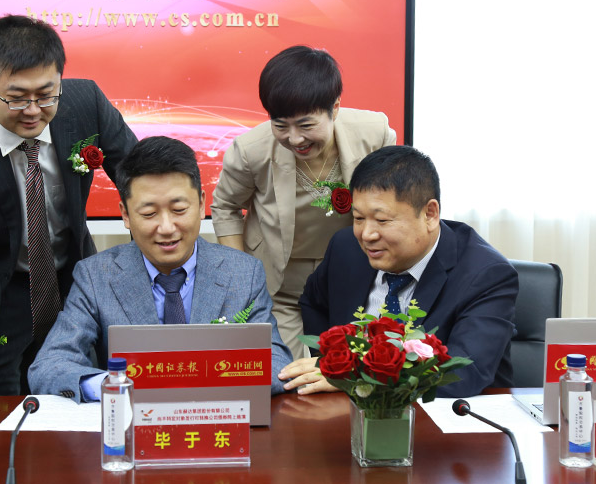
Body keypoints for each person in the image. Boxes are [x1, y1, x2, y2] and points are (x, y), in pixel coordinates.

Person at [0, 15, 138, 395]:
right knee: (4, 392)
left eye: (46, 94)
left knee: (85, 383)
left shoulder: (85, 102)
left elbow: (139, 176)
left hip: (73, 276)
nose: (33, 110)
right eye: (17, 97)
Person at [28, 136, 292, 401]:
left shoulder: (243, 272)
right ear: (125, 215)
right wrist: (113, 385)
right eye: (149, 214)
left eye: (179, 209)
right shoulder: (96, 276)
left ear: (201, 204)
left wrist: (199, 379)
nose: (166, 228)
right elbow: (49, 366)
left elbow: (277, 362)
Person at [280, 146, 518, 398]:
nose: (367, 235)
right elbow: (314, 302)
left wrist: (352, 373)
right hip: (346, 411)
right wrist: (331, 362)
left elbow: (464, 372)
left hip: (446, 415)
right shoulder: (345, 248)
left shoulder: (486, 275)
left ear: (430, 214)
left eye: (382, 220)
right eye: (358, 218)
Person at [211, 46, 396, 360]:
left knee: (355, 367)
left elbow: (392, 200)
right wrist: (242, 275)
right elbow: (225, 206)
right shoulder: (251, 151)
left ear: (334, 108)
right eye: (281, 125)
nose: (295, 139)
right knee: (290, 372)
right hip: (281, 285)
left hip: (352, 274)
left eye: (307, 125)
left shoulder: (373, 133)